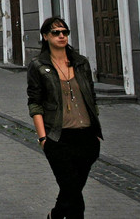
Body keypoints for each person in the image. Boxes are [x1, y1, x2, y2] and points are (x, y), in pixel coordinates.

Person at [27, 16, 103, 219]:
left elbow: (91, 98)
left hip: (86, 137)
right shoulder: (38, 66)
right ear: (45, 36)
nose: (62, 36)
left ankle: (55, 215)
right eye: (56, 32)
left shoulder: (81, 63)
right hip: (58, 137)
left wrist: (96, 132)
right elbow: (35, 103)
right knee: (73, 192)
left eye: (65, 32)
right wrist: (43, 138)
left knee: (72, 191)